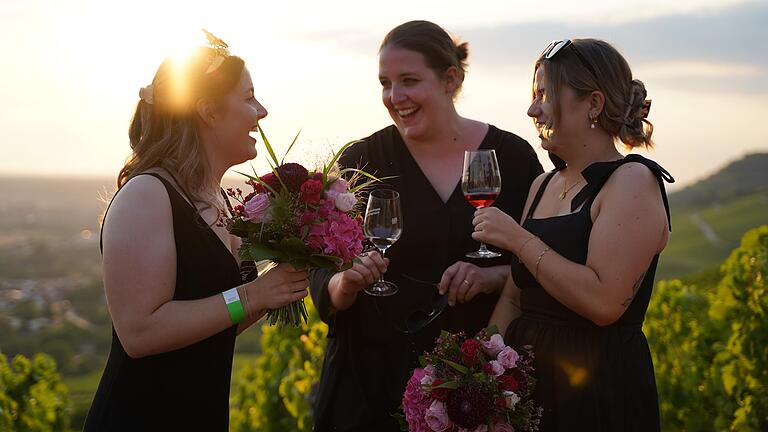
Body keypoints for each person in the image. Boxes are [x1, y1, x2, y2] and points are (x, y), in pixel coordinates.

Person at [309, 20, 543, 432]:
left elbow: (543, 264)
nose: (394, 97)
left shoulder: (513, 157)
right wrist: (346, 283)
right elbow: (321, 272)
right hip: (367, 387)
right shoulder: (362, 159)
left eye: (409, 81)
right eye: (385, 83)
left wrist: (493, 277)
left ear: (450, 78)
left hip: (471, 392)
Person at [83, 34, 309, 431]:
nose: (263, 111)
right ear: (208, 111)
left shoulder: (217, 199)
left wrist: (275, 289)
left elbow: (213, 322)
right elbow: (139, 333)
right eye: (249, 97)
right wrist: (252, 294)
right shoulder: (148, 194)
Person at [474, 38, 674, 431]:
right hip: (529, 390)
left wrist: (518, 239)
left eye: (544, 95)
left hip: (597, 392)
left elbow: (604, 302)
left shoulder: (631, 182)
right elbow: (516, 298)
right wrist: (476, 371)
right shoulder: (543, 185)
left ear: (593, 104)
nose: (532, 109)